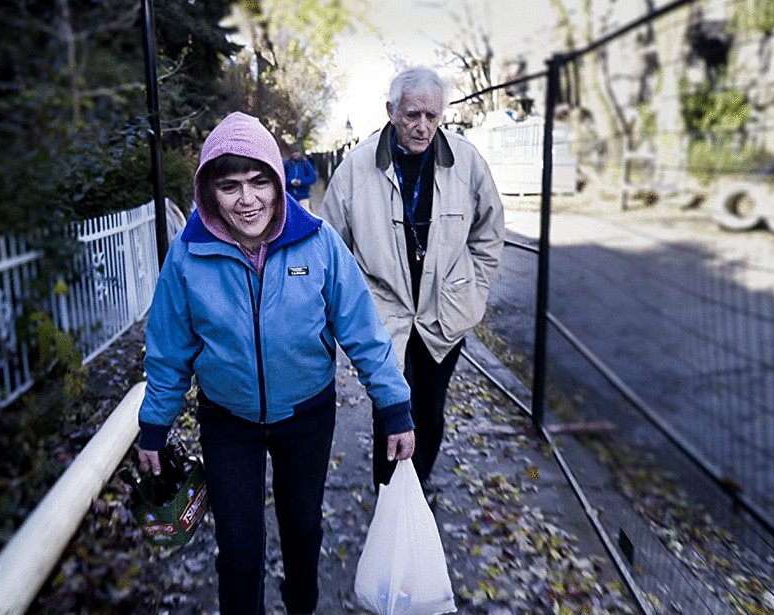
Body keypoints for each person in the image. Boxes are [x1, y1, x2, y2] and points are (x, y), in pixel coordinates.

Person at [136, 111, 415, 615]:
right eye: (230, 186)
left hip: (307, 415)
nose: (247, 201)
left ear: (277, 180)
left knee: (302, 529)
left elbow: (363, 331)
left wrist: (394, 405)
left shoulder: (318, 241)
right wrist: (154, 424)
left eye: (259, 182)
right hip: (228, 421)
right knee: (239, 549)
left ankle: (301, 606)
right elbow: (168, 349)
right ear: (208, 191)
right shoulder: (188, 255)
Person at [321, 66, 505, 493]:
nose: (423, 127)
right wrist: (353, 306)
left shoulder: (467, 161)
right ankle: (390, 500)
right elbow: (330, 247)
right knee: (390, 410)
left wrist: (474, 288)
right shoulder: (355, 168)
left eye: (432, 116)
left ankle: (418, 490)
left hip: (446, 313)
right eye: (411, 115)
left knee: (430, 410)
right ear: (391, 111)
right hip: (383, 319)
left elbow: (490, 232)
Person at [283, 142, 318, 211]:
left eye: (297, 152)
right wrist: (290, 182)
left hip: (303, 196)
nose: (295, 154)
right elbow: (281, 178)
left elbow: (313, 178)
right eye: (293, 152)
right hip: (289, 196)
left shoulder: (306, 164)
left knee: (305, 216)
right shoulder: (286, 164)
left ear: (300, 152)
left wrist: (301, 182)